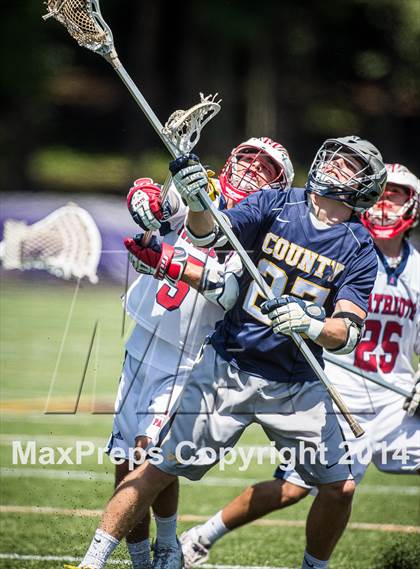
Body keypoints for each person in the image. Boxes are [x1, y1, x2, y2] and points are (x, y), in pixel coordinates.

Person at [70, 135, 386, 569]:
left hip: (295, 383)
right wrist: (197, 197)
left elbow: (346, 330)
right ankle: (93, 562)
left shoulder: (360, 247)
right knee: (155, 465)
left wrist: (312, 324)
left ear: (364, 186)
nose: (334, 165)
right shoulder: (277, 204)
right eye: (334, 157)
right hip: (229, 367)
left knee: (340, 487)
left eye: (348, 165)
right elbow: (208, 234)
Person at [179, 162, 420, 569]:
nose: (385, 204)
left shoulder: (416, 270)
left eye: (396, 195)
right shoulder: (346, 247)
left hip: (397, 402)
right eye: (383, 193)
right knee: (295, 488)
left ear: (412, 206)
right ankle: (201, 536)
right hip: (340, 390)